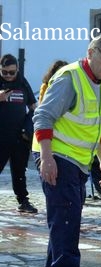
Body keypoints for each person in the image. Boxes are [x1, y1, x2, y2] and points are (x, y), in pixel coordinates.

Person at [32, 33, 101, 267]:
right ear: (91, 52)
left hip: (78, 163)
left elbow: (98, 129)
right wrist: (47, 158)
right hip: (59, 159)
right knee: (67, 223)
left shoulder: (100, 82)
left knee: (64, 222)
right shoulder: (70, 77)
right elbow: (43, 116)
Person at [0, 54, 39, 214]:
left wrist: (28, 127)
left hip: (19, 136)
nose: (8, 76)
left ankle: (23, 201)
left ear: (17, 70)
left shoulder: (22, 82)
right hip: (1, 136)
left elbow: (33, 106)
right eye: (4, 72)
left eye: (11, 72)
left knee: (19, 170)